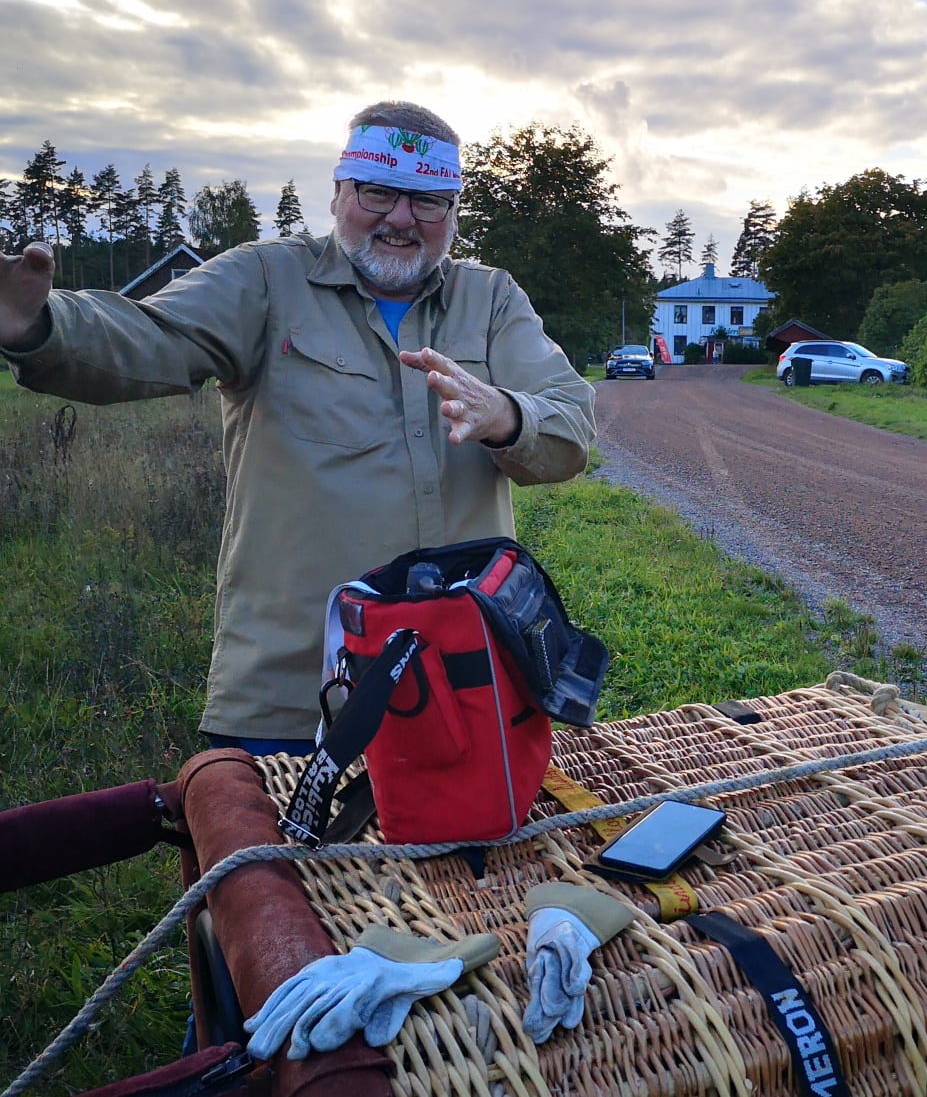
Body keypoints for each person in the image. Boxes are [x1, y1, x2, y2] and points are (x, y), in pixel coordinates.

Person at [0, 100, 596, 753]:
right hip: (293, 702)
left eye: (428, 201)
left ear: (452, 214)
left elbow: (569, 426)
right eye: (378, 192)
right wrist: (39, 327)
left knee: (459, 858)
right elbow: (151, 336)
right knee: (274, 859)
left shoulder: (492, 300)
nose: (401, 218)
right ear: (340, 191)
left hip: (460, 689)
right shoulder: (265, 280)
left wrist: (506, 416)